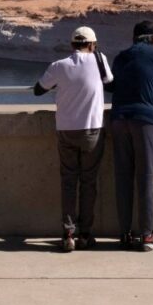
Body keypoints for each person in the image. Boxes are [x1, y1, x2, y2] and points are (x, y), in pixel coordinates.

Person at [34, 26, 114, 252]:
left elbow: (39, 90)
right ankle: (85, 234)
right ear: (92, 44)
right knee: (89, 182)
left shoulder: (59, 66)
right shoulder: (100, 60)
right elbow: (109, 82)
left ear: (71, 45)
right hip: (92, 131)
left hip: (66, 131)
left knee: (69, 182)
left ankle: (68, 233)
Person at [107, 20, 153, 252]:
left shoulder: (120, 57)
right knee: (145, 178)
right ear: (152, 38)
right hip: (144, 120)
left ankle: (125, 234)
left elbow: (110, 85)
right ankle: (147, 236)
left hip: (119, 119)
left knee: (123, 178)